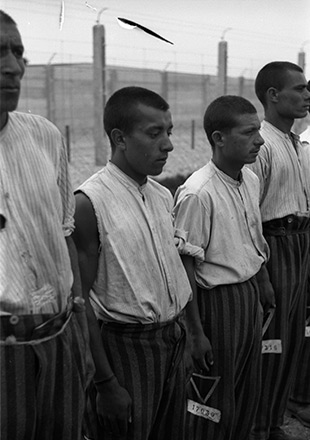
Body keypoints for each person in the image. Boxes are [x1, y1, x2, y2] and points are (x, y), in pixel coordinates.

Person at [73, 86, 193, 440]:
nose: (168, 145)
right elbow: (80, 305)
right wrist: (107, 384)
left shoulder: (159, 194)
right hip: (125, 351)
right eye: (154, 133)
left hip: (170, 342)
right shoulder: (89, 202)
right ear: (119, 138)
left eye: (169, 132)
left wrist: (183, 339)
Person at [0, 10, 93, 440]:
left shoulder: (44, 136)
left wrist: (80, 329)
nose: (13, 67)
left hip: (60, 335)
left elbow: (64, 232)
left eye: (18, 52)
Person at [173, 95, 273, 440]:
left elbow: (252, 236)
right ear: (219, 138)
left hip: (247, 298)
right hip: (218, 305)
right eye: (248, 133)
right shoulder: (198, 193)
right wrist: (196, 333)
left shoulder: (250, 180)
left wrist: (262, 281)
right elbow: (186, 267)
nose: (259, 140)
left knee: (248, 388)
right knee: (213, 396)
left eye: (258, 130)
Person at [248, 61, 310, 440]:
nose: (307, 95)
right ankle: (259, 424)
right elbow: (249, 214)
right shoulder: (264, 144)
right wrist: (262, 271)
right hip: (276, 244)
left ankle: (274, 418)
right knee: (272, 343)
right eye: (299, 89)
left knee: (293, 337)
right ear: (273, 95)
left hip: (300, 242)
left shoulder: (292, 141)